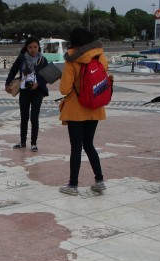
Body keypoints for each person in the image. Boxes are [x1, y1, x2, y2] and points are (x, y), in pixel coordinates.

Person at [57, 28, 109, 196]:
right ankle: (99, 180)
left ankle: (73, 185)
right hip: (94, 107)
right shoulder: (100, 56)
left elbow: (64, 88)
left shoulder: (72, 58)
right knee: (89, 145)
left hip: (75, 110)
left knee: (76, 148)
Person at [4, 37, 49, 152]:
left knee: (34, 117)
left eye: (35, 47)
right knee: (24, 117)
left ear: (38, 47)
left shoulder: (43, 60)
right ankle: (22, 142)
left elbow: (48, 76)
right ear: (26, 48)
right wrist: (7, 83)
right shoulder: (22, 58)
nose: (33, 50)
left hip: (37, 92)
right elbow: (13, 70)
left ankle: (33, 143)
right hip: (24, 91)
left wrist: (38, 84)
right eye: (30, 47)